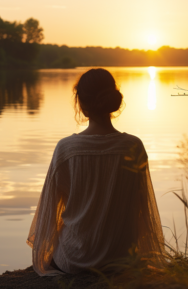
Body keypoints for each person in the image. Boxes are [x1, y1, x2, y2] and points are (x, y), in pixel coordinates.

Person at [26, 68, 164, 276]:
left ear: (80, 103)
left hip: (74, 260)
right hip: (123, 260)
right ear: (112, 100)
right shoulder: (133, 146)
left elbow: (49, 211)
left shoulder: (67, 149)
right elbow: (143, 209)